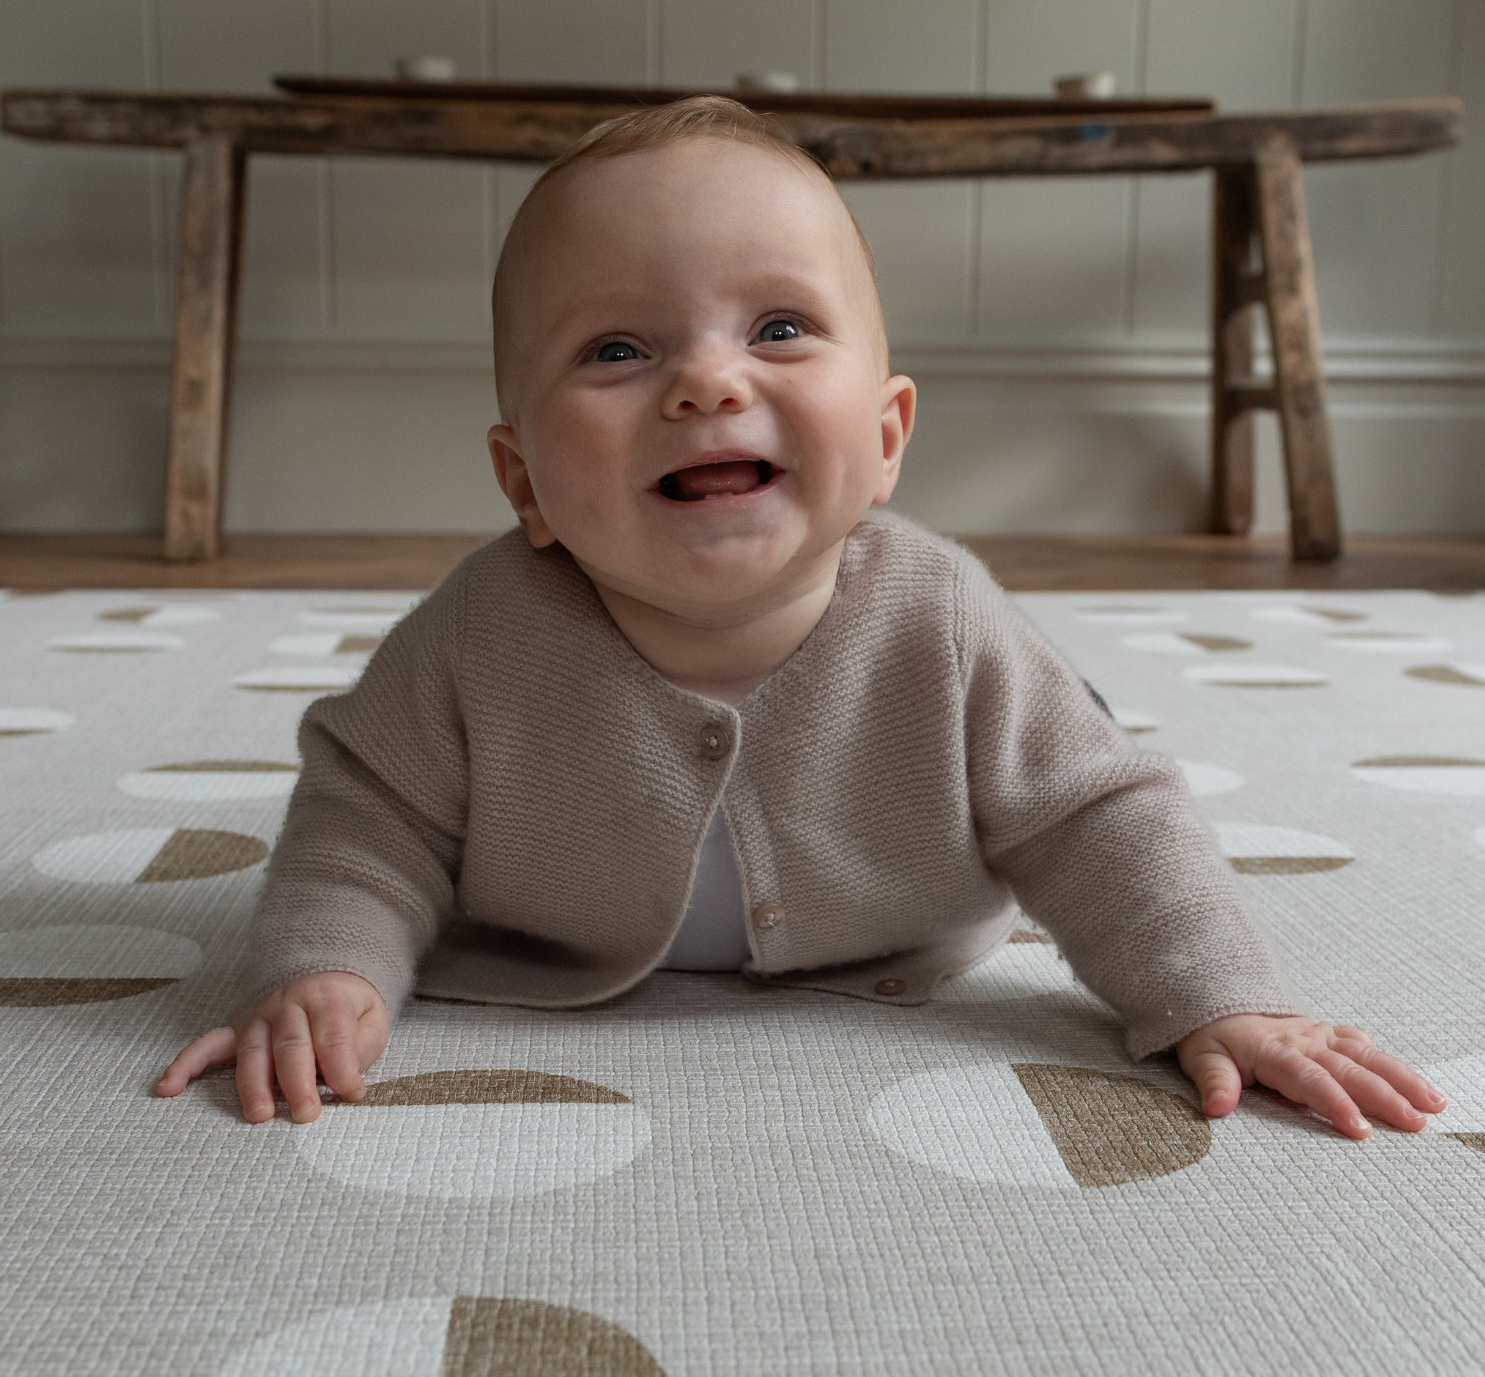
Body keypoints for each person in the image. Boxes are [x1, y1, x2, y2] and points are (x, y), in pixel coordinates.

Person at [157, 96, 1446, 1142]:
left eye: (779, 328)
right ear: (523, 484)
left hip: (910, 916)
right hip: (554, 947)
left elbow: (1102, 823)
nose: (708, 382)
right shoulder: (478, 633)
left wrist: (1221, 1002)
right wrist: (327, 970)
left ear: (886, 439)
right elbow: (366, 815)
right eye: (616, 350)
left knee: (1073, 763)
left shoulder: (938, 617)